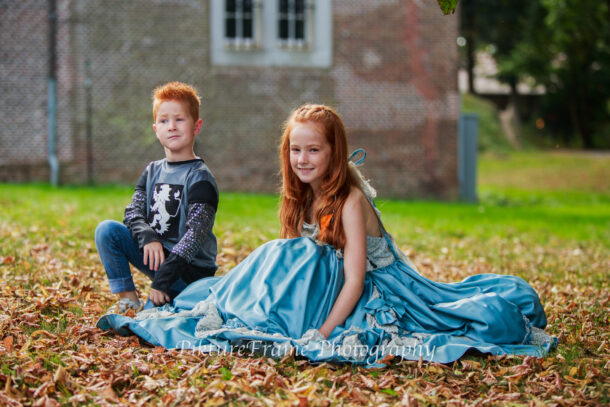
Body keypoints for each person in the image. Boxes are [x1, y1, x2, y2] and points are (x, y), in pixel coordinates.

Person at [97, 104, 555, 366]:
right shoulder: (305, 195)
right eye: (295, 150)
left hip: (373, 285)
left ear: (333, 151)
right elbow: (301, 257)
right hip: (324, 280)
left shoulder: (350, 200)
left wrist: (324, 331)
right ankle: (237, 306)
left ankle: (275, 315)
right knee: (273, 255)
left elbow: (355, 279)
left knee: (286, 256)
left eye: (313, 149)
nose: (303, 158)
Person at [95, 82, 219, 314]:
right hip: (158, 257)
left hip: (188, 271)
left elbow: (194, 238)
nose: (171, 127)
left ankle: (175, 298)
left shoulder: (200, 179)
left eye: (179, 120)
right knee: (107, 230)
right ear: (156, 129)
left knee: (149, 321)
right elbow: (133, 212)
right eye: (164, 121)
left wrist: (162, 282)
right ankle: (128, 299)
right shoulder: (152, 171)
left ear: (197, 126)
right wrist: (148, 236)